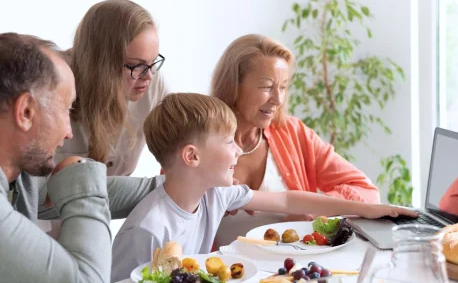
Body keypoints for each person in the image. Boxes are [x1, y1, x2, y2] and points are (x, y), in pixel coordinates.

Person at [111, 93, 417, 281]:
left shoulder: (214, 195)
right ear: (192, 156)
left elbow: (287, 200)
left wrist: (367, 209)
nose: (238, 151)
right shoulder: (147, 231)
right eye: (229, 142)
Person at [210, 34, 381, 247]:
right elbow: (173, 212)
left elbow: (366, 191)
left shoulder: (292, 133)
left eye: (283, 87)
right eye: (266, 87)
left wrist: (311, 210)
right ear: (233, 85)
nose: (278, 100)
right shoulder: (195, 139)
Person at [0, 33, 111, 282]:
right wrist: (83, 184)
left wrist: (165, 185)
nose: (69, 132)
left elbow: (46, 191)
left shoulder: (18, 179)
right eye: (66, 108)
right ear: (26, 111)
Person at [55, 0, 167, 176]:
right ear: (100, 64)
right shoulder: (52, 85)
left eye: (153, 62)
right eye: (135, 65)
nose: (149, 76)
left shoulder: (152, 83)